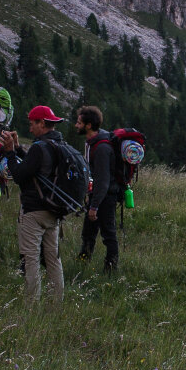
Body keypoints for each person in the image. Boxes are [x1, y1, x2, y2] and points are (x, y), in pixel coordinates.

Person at [1, 104, 68, 305]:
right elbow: (36, 167)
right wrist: (18, 149)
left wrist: (10, 153)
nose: (30, 129)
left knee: (31, 259)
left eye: (32, 124)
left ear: (42, 124)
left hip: (34, 210)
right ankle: (56, 304)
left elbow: (20, 176)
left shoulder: (40, 147)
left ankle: (31, 305)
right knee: (53, 259)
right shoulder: (59, 145)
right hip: (54, 209)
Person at [74, 105, 120, 272]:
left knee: (108, 234)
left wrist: (94, 206)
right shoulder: (92, 143)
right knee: (88, 233)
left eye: (79, 123)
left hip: (105, 196)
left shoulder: (101, 148)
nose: (76, 125)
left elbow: (103, 181)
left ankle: (111, 269)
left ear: (88, 125)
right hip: (97, 195)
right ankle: (82, 263)